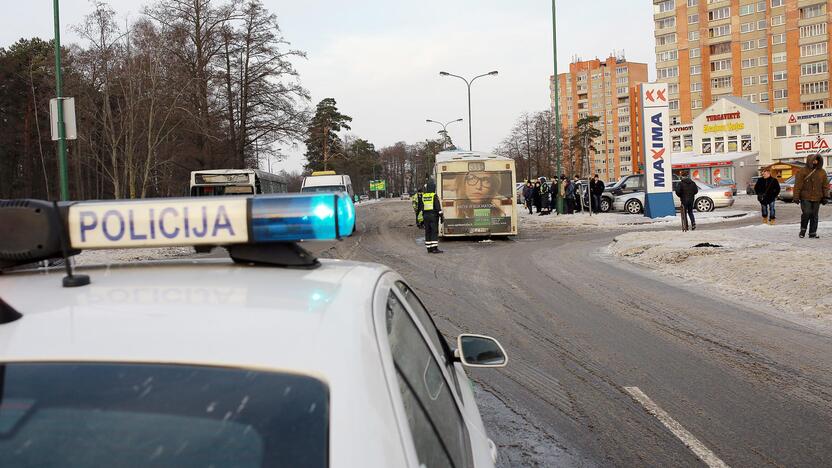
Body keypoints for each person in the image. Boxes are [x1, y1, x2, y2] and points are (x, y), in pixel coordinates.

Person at [793, 153, 829, 238]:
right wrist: (796, 196)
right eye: (814, 160)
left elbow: (825, 186)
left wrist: (825, 196)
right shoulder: (802, 171)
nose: (815, 161)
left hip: (817, 197)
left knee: (814, 215)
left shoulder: (822, 172)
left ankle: (812, 233)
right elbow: (798, 185)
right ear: (809, 160)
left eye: (817, 160)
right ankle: (803, 230)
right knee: (806, 213)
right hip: (805, 196)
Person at [419, 180, 444, 253]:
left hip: (425, 216)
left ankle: (429, 248)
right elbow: (438, 208)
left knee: (428, 232)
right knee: (434, 232)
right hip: (433, 216)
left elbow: (421, 207)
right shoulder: (434, 196)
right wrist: (441, 216)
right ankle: (434, 248)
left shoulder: (424, 196)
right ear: (433, 188)